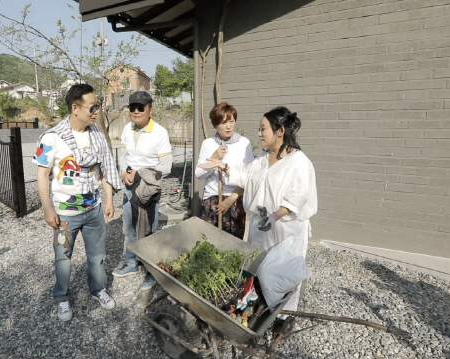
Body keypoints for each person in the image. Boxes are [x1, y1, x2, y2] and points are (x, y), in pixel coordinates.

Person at [198, 106, 317, 334]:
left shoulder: (298, 162)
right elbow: (245, 175)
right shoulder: (263, 159)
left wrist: (275, 215)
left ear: (280, 131)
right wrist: (221, 165)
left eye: (263, 129)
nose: (259, 134)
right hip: (263, 227)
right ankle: (257, 310)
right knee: (261, 269)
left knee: (284, 275)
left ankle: (284, 318)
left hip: (286, 230)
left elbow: (299, 196)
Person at [33, 83, 123, 322]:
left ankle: (98, 289)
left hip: (93, 209)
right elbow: (42, 174)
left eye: (98, 106)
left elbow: (104, 170)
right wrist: (47, 208)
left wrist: (109, 199)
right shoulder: (52, 138)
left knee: (97, 255)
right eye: (93, 107)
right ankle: (62, 297)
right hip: (64, 213)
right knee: (63, 258)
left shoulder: (97, 136)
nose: (96, 112)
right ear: (75, 108)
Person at [112, 90, 173, 290]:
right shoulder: (127, 129)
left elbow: (167, 166)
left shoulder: (159, 132)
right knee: (128, 227)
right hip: (129, 186)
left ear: (150, 110)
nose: (136, 111)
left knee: (150, 230)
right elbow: (122, 154)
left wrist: (139, 172)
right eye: (132, 107)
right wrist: (123, 172)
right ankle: (131, 263)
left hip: (147, 189)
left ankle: (151, 270)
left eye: (141, 107)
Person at [195, 102, 254, 239]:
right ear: (215, 125)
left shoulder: (244, 143)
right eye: (223, 122)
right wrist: (214, 159)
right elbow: (199, 175)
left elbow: (249, 176)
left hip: (235, 198)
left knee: (233, 243)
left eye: (231, 121)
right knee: (209, 241)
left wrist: (232, 198)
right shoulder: (208, 144)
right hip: (212, 198)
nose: (228, 126)